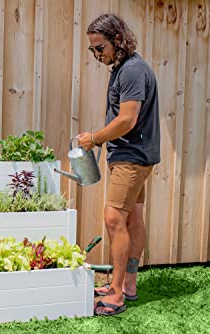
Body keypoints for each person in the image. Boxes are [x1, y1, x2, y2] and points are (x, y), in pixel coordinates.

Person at [77, 13, 160, 316]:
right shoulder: (125, 68)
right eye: (93, 50)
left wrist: (95, 138)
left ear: (119, 41)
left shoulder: (132, 71)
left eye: (100, 48)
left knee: (113, 218)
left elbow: (128, 119)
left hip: (131, 156)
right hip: (135, 154)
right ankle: (129, 285)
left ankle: (115, 294)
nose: (97, 55)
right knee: (133, 217)